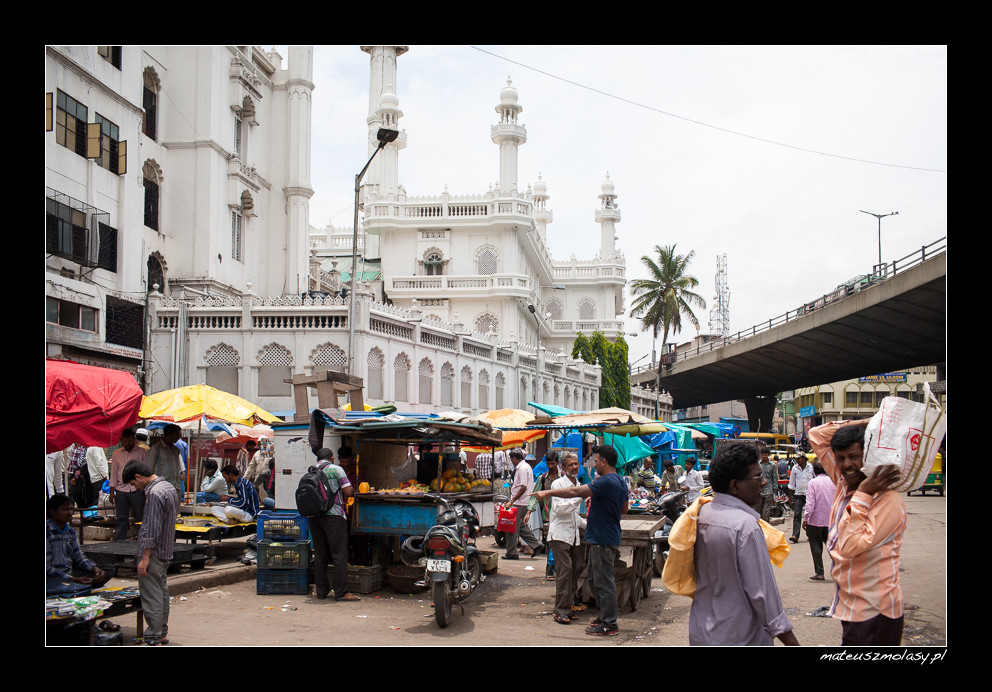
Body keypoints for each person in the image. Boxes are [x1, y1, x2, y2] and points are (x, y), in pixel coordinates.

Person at [688, 442, 799, 646]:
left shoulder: (700, 515)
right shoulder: (745, 527)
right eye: (757, 477)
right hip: (741, 636)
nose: (764, 482)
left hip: (703, 632)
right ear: (735, 485)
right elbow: (764, 596)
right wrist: (791, 641)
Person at [809, 421, 907, 646]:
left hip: (875, 611)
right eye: (840, 458)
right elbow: (816, 435)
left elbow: (850, 547)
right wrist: (873, 423)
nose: (846, 464)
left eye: (854, 456)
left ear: (869, 457)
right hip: (851, 606)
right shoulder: (843, 482)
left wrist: (863, 493)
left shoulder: (886, 500)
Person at [535, 445, 627, 636]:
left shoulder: (605, 481)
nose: (588, 465)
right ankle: (596, 616)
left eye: (596, 460)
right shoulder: (618, 481)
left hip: (601, 537)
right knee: (591, 578)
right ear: (564, 467)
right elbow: (624, 508)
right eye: (572, 464)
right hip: (572, 534)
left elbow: (575, 493)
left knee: (601, 581)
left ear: (604, 462)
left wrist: (548, 494)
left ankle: (609, 623)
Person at [122, 459, 178, 646]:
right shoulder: (168, 488)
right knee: (161, 592)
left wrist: (145, 556)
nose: (136, 488)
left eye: (133, 484)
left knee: (152, 594)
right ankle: (161, 632)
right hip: (165, 550)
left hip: (153, 552)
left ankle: (153, 636)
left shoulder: (154, 493)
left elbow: (152, 527)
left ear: (138, 476)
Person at [308, 448, 360, 601]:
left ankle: (321, 592)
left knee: (320, 555)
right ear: (331, 457)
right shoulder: (337, 469)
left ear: (318, 459)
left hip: (314, 517)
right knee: (339, 554)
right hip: (334, 515)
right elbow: (348, 491)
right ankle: (342, 592)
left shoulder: (312, 470)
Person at [542, 452, 587, 624]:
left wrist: (586, 525)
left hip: (573, 535)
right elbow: (559, 510)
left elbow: (574, 516)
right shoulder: (558, 484)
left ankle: (568, 608)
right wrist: (578, 497)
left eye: (576, 464)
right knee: (565, 572)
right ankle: (560, 610)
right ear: (563, 468)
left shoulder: (579, 484)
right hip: (560, 535)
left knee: (574, 572)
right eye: (571, 465)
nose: (574, 467)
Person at [47, 494, 115, 595]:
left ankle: (77, 585)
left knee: (108, 569)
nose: (70, 513)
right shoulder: (47, 532)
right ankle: (76, 585)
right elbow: (47, 567)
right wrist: (72, 578)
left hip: (69, 573)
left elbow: (79, 557)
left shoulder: (70, 532)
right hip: (52, 576)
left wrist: (94, 568)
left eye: (71, 509)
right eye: (65, 509)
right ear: (52, 512)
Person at [108, 427, 148, 541]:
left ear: (134, 439)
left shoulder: (142, 453)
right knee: (121, 519)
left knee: (141, 518)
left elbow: (145, 471)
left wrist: (145, 491)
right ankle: (119, 545)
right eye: (124, 442)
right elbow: (114, 474)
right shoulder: (116, 454)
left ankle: (143, 542)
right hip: (121, 491)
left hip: (137, 490)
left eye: (129, 441)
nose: (127, 444)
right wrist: (112, 492)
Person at [504, 448, 543, 560]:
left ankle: (511, 553)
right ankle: (536, 545)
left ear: (515, 458)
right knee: (520, 526)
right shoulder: (526, 467)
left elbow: (523, 486)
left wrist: (512, 501)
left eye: (512, 459)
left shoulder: (521, 468)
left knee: (512, 528)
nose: (511, 461)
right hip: (523, 501)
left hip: (520, 502)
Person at [525, 455, 560, 579]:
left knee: (557, 542)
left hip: (561, 515)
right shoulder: (543, 478)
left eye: (553, 464)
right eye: (548, 464)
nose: (550, 467)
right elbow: (534, 496)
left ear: (557, 462)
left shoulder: (564, 478)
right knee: (551, 542)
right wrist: (529, 511)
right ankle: (550, 569)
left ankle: (553, 568)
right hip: (547, 515)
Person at [801, 461, 835, 581]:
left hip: (815, 520)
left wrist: (806, 518)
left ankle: (820, 573)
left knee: (815, 546)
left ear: (814, 471)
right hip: (831, 520)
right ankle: (839, 570)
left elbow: (810, 504)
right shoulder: (833, 482)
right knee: (833, 547)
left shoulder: (813, 483)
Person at [147, 424, 184, 495]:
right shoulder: (155, 449)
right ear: (168, 435)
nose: (178, 438)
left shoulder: (176, 450)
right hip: (161, 489)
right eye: (177, 435)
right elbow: (149, 470)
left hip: (175, 488)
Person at [788, 453, 815, 543]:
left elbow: (815, 479)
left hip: (810, 494)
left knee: (810, 515)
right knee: (797, 514)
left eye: (799, 458)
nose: (797, 460)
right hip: (799, 494)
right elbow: (792, 483)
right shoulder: (794, 468)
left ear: (804, 458)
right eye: (797, 459)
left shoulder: (811, 467)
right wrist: (790, 496)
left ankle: (811, 535)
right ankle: (795, 535)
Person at [757, 447, 778, 521]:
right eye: (762, 454)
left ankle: (765, 527)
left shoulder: (772, 465)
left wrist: (775, 489)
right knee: (758, 510)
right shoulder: (757, 464)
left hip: (769, 490)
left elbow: (774, 478)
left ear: (768, 455)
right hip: (758, 490)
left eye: (765, 455)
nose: (764, 456)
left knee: (766, 510)